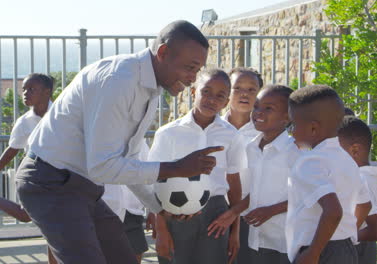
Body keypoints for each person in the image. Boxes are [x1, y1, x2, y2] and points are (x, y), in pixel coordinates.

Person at [13, 20, 222, 264]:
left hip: (82, 186)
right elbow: (103, 166)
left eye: (197, 70)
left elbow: (128, 159)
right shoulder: (119, 80)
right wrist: (176, 168)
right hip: (49, 183)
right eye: (190, 67)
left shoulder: (150, 90)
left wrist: (159, 207)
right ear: (163, 53)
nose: (192, 78)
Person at [150, 69, 243, 264]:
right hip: (175, 211)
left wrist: (235, 231)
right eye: (206, 92)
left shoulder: (231, 135)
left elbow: (233, 182)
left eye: (220, 96)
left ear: (226, 102)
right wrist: (161, 229)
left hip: (216, 214)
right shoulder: (168, 133)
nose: (212, 99)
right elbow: (154, 180)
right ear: (193, 92)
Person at [286, 85, 372, 264]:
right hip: (345, 249)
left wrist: (313, 253)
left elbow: (333, 211)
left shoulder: (309, 162)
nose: (291, 131)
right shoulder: (345, 158)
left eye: (293, 124)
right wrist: (344, 232)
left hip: (319, 251)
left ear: (313, 129)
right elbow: (365, 205)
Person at [0, 73, 57, 264]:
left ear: (47, 92)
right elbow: (12, 150)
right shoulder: (24, 122)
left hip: (63, 178)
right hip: (36, 177)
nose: (25, 93)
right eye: (24, 89)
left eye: (31, 89)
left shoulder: (62, 114)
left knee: (55, 230)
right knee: (28, 216)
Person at [243, 85, 299, 264]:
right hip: (252, 239)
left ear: (287, 117)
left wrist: (271, 210)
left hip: (283, 241)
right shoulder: (248, 148)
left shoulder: (296, 152)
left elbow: (307, 196)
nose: (259, 112)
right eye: (256, 106)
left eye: (268, 108)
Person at [338, 116, 377, 264]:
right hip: (364, 245)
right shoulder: (371, 177)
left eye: (336, 150)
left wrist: (347, 235)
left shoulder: (360, 179)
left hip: (354, 249)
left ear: (355, 150)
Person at [221, 67, 263, 264]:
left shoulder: (265, 135)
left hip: (250, 215)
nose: (244, 94)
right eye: (237, 88)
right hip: (216, 212)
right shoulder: (214, 129)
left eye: (251, 89)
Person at [102, 139, 155, 263]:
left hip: (132, 214)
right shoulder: (90, 137)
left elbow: (148, 176)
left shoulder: (139, 142)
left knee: (133, 257)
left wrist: (153, 210)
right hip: (101, 212)